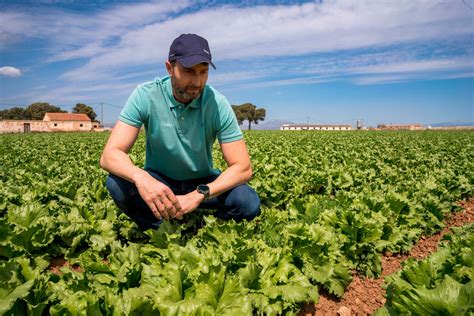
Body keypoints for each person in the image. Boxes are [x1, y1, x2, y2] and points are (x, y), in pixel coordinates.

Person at [100, 33, 261, 230]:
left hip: (202, 183)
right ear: (169, 68)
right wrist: (142, 179)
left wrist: (199, 193)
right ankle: (160, 229)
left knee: (247, 202)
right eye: (188, 71)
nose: (197, 81)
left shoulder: (217, 103)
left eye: (203, 71)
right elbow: (109, 155)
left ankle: (203, 227)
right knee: (117, 184)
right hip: (159, 181)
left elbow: (243, 167)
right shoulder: (145, 95)